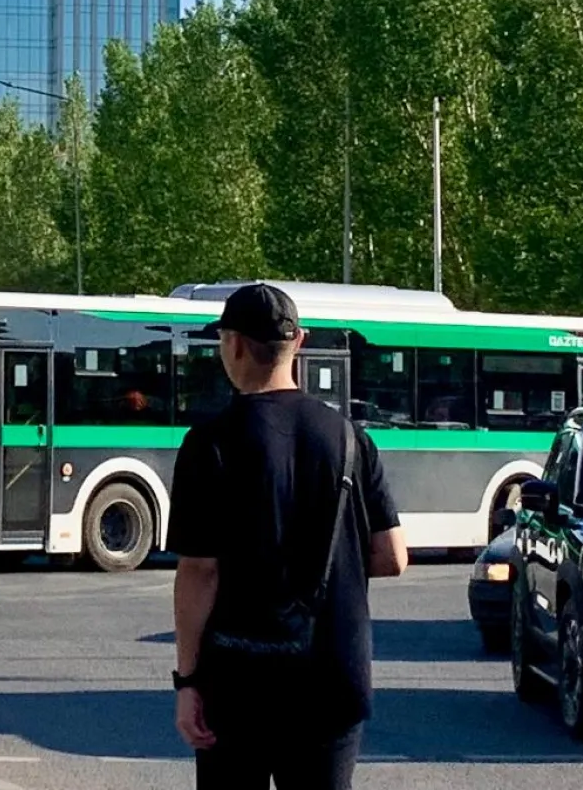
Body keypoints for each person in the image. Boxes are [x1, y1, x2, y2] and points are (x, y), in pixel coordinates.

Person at [166, 283, 408, 790]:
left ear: (232, 345)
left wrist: (188, 682)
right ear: (299, 342)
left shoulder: (209, 444)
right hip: (332, 678)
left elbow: (200, 572)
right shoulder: (350, 438)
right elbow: (392, 556)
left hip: (239, 682)